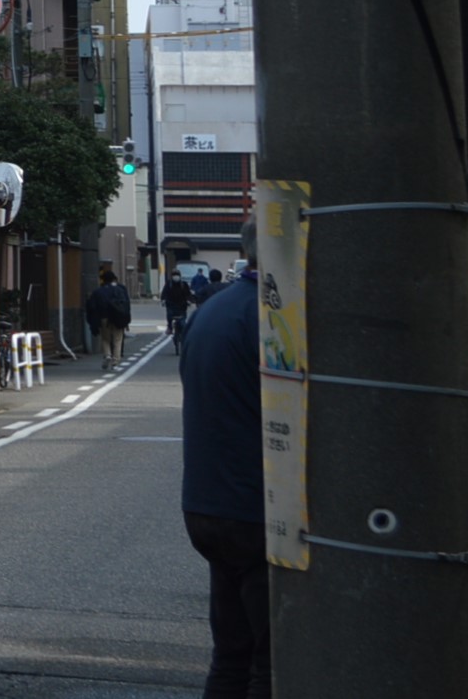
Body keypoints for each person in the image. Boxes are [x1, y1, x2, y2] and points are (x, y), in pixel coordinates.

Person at [181, 240, 268, 698]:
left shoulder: (211, 312)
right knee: (271, 660)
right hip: (256, 504)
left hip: (206, 501)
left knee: (230, 654)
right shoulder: (272, 317)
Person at [85, 263, 133, 369]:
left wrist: (93, 321)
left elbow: (91, 307)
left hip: (104, 318)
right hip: (118, 317)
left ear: (103, 280)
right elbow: (126, 305)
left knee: (105, 339)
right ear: (114, 279)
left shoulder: (98, 292)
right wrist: (127, 320)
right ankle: (115, 359)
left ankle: (107, 355)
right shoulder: (120, 290)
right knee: (117, 339)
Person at [161, 266, 193, 349]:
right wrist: (163, 300)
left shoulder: (184, 284)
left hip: (182, 306)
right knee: (169, 316)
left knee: (183, 323)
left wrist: (189, 301)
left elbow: (188, 294)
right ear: (171, 276)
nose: (176, 277)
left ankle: (184, 336)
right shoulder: (169, 284)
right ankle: (170, 327)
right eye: (174, 275)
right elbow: (164, 293)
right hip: (171, 305)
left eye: (177, 275)